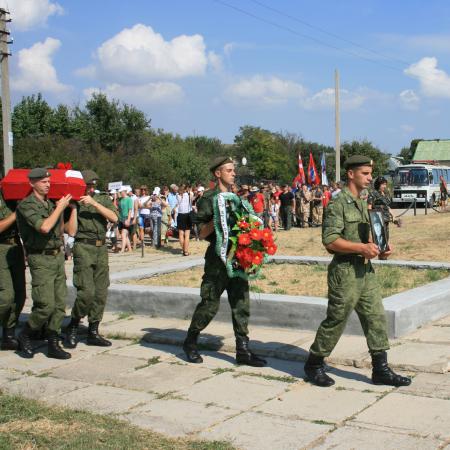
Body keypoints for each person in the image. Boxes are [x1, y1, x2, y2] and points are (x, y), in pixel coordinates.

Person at [303, 156, 411, 388]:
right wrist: (361, 248)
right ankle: (314, 363)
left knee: (376, 317)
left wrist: (380, 249)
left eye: (370, 173)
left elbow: (368, 237)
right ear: (351, 174)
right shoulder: (338, 203)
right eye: (365, 173)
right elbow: (330, 240)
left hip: (365, 270)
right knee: (337, 319)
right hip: (345, 271)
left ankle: (380, 369)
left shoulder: (363, 202)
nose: (370, 177)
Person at [182, 156, 266, 367]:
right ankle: (190, 342)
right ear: (218, 173)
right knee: (209, 303)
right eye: (229, 170)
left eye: (233, 170)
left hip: (238, 257)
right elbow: (201, 233)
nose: (234, 173)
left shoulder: (239, 198)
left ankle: (243, 350)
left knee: (241, 303)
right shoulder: (208, 199)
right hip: (217, 259)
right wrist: (217, 218)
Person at [16, 168, 76, 359]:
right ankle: (25, 334)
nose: (48, 184)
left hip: (56, 257)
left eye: (48, 181)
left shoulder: (51, 204)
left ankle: (53, 342)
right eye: (43, 181)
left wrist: (72, 209)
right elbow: (44, 227)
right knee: (45, 305)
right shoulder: (26, 205)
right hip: (40, 258)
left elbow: (69, 230)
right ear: (32, 183)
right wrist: (60, 207)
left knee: (59, 304)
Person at [65, 170, 118, 349]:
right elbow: (71, 231)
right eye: (88, 185)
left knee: (101, 292)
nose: (91, 188)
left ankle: (93, 331)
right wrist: (73, 209)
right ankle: (73, 325)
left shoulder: (102, 199)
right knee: (86, 292)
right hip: (83, 247)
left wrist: (94, 203)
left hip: (101, 248)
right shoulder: (73, 201)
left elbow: (114, 218)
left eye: (93, 185)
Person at [0, 191, 26, 351]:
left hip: (16, 247)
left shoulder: (13, 197)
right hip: (1, 247)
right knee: (6, 296)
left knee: (20, 295)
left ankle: (8, 335)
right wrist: (17, 213)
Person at [368, 176, 393, 242]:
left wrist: (393, 216)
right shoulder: (373, 194)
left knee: (386, 238)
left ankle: (384, 251)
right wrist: (370, 220)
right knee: (379, 239)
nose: (385, 186)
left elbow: (387, 206)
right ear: (378, 184)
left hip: (386, 219)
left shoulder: (385, 194)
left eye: (385, 184)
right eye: (383, 184)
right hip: (378, 220)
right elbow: (369, 207)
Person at [177, 184, 193, 256]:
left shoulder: (178, 195)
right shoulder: (189, 194)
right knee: (187, 234)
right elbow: (192, 201)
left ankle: (183, 250)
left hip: (180, 214)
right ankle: (185, 251)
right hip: (187, 214)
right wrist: (190, 191)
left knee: (181, 233)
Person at [118, 186, 133, 253]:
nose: (120, 193)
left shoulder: (129, 199)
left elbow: (130, 210)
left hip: (127, 217)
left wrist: (128, 219)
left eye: (121, 192)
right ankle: (130, 249)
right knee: (125, 235)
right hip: (121, 218)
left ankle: (122, 249)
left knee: (123, 234)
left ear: (124, 191)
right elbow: (119, 208)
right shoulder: (120, 199)